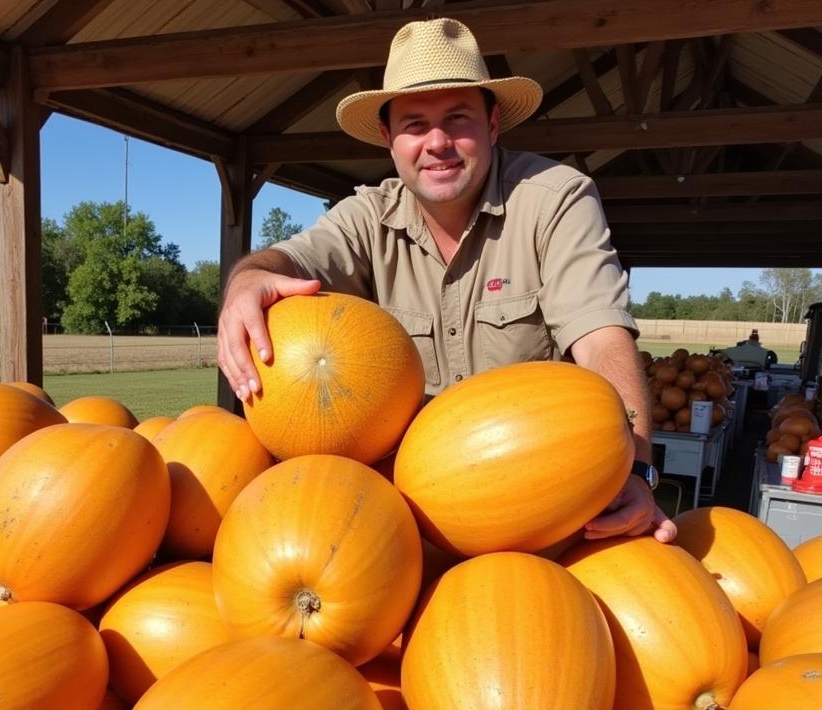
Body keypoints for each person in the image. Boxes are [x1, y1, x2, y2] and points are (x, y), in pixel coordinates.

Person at [217, 17, 675, 544]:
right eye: (414, 124)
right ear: (389, 138)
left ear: (493, 124)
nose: (437, 142)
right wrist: (245, 283)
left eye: (457, 118)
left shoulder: (556, 199)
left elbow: (600, 338)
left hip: (528, 506)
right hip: (397, 513)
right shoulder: (366, 216)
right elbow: (284, 262)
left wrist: (637, 471)